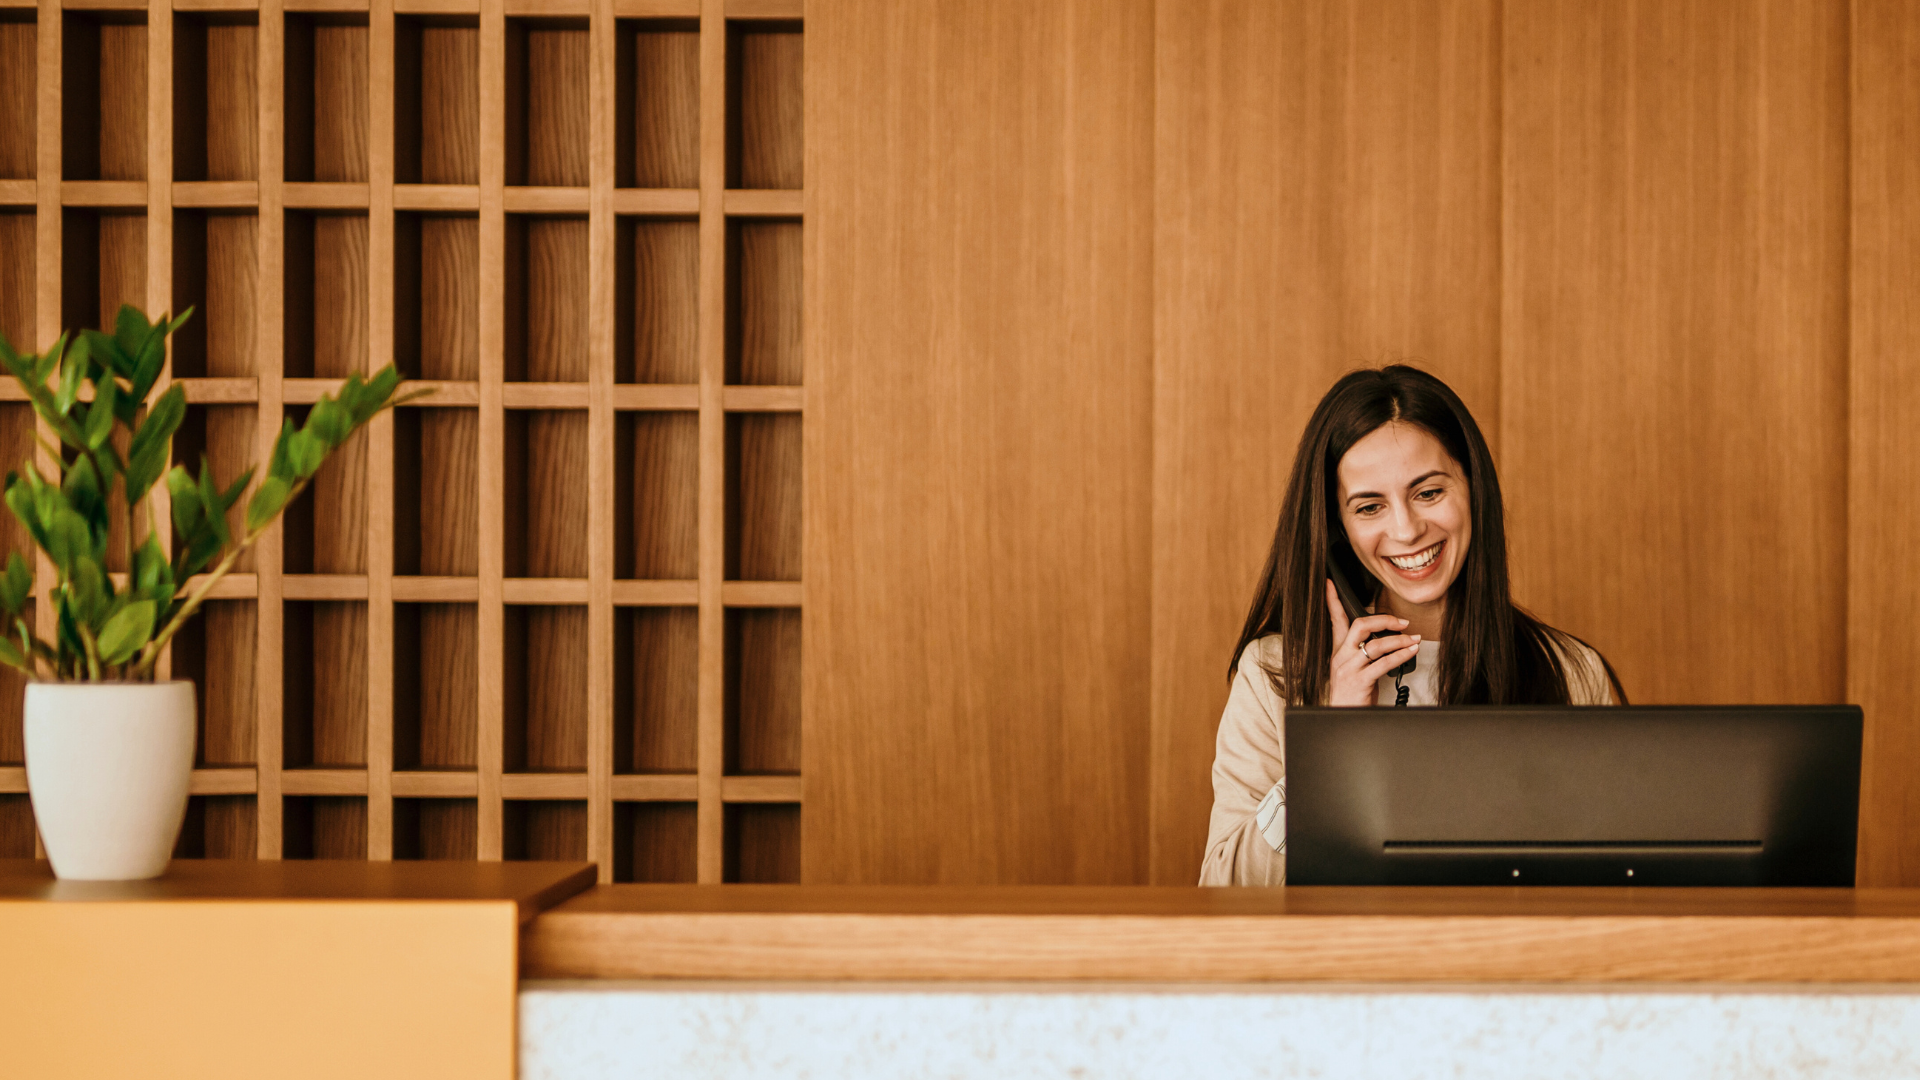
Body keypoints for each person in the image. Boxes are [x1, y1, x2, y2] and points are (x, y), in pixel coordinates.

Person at [1199, 365, 1623, 886]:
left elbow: (1615, 885)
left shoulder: (1571, 672)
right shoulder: (1273, 673)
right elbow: (1224, 891)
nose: (1405, 529)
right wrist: (1331, 746)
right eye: (1370, 506)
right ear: (1339, 529)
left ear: (1473, 488)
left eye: (1428, 493)